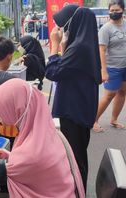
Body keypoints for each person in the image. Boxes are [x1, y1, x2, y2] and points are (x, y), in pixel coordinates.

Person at [45, 5, 102, 190]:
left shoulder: (79, 48)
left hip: (74, 111)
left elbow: (53, 72)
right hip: (80, 108)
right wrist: (63, 47)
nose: (60, 30)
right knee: (77, 156)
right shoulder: (84, 45)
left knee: (74, 160)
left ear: (74, 23)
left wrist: (54, 45)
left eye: (62, 26)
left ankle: (77, 192)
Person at [93, 0, 126, 132]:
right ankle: (93, 120)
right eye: (111, 11)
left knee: (122, 93)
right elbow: (101, 50)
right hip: (112, 67)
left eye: (116, 10)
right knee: (109, 95)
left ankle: (114, 119)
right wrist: (103, 70)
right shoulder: (106, 29)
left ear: (123, 10)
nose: (113, 13)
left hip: (125, 66)